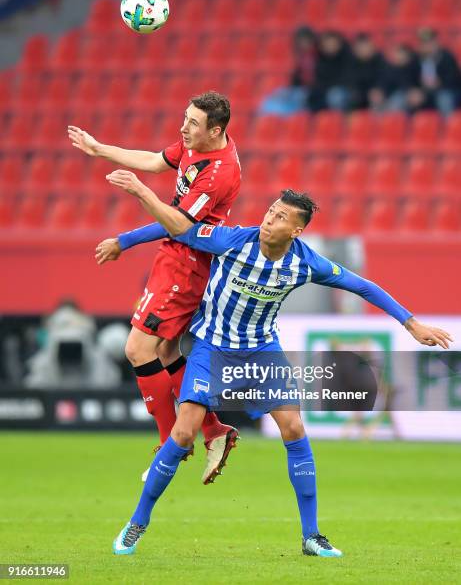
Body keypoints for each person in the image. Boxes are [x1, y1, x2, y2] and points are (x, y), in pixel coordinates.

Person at [102, 176, 452, 557]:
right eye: (270, 211)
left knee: (294, 426)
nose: (269, 219)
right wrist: (126, 234)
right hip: (212, 348)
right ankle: (137, 522)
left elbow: (363, 286)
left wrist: (411, 323)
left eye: (280, 216)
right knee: (184, 434)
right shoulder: (233, 240)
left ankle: (311, 536)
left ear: (296, 230)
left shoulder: (305, 261)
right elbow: (177, 225)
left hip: (261, 352)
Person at [68, 92, 241, 483]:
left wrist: (128, 226)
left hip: (186, 264)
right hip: (175, 258)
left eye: (193, 123)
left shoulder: (220, 172)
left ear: (215, 130)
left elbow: (179, 225)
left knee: (137, 348)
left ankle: (171, 445)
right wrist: (100, 150)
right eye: (185, 118)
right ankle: (212, 429)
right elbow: (155, 160)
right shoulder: (197, 145)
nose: (184, 128)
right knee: (164, 350)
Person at [408, 28, 461, 115]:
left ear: (436, 42)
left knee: (444, 99)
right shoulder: (415, 58)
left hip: (445, 90)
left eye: (430, 42)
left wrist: (440, 82)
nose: (428, 46)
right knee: (404, 99)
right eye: (424, 43)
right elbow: (409, 77)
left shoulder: (447, 56)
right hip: (424, 92)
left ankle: (448, 126)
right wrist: (413, 90)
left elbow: (454, 79)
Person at [308, 30, 352, 112]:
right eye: (327, 43)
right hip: (324, 92)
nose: (330, 46)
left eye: (332, 43)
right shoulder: (319, 60)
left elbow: (347, 80)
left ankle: (338, 121)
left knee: (335, 95)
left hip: (342, 92)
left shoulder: (347, 59)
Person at [369, 44, 420, 112]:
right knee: (376, 99)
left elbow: (414, 86)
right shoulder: (389, 68)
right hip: (388, 96)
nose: (399, 57)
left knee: (398, 99)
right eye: (398, 53)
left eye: (402, 54)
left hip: (407, 97)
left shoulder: (414, 67)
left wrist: (414, 92)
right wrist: (379, 90)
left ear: (408, 56)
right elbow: (383, 83)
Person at [345, 32, 384, 110]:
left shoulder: (380, 60)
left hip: (375, 93)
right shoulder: (350, 62)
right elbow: (350, 81)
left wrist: (378, 88)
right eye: (360, 47)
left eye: (365, 46)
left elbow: (384, 78)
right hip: (358, 94)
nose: (363, 49)